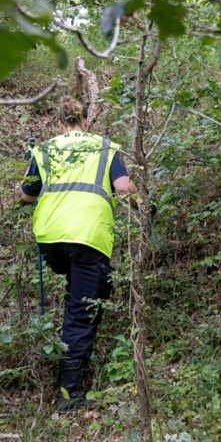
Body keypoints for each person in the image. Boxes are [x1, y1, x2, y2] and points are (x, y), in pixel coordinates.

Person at [19, 97, 138, 412]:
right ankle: (69, 391)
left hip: (50, 239)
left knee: (81, 286)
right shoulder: (105, 148)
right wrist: (142, 205)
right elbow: (124, 188)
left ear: (60, 124)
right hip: (88, 236)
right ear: (86, 122)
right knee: (82, 309)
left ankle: (68, 344)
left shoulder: (44, 149)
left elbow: (26, 195)